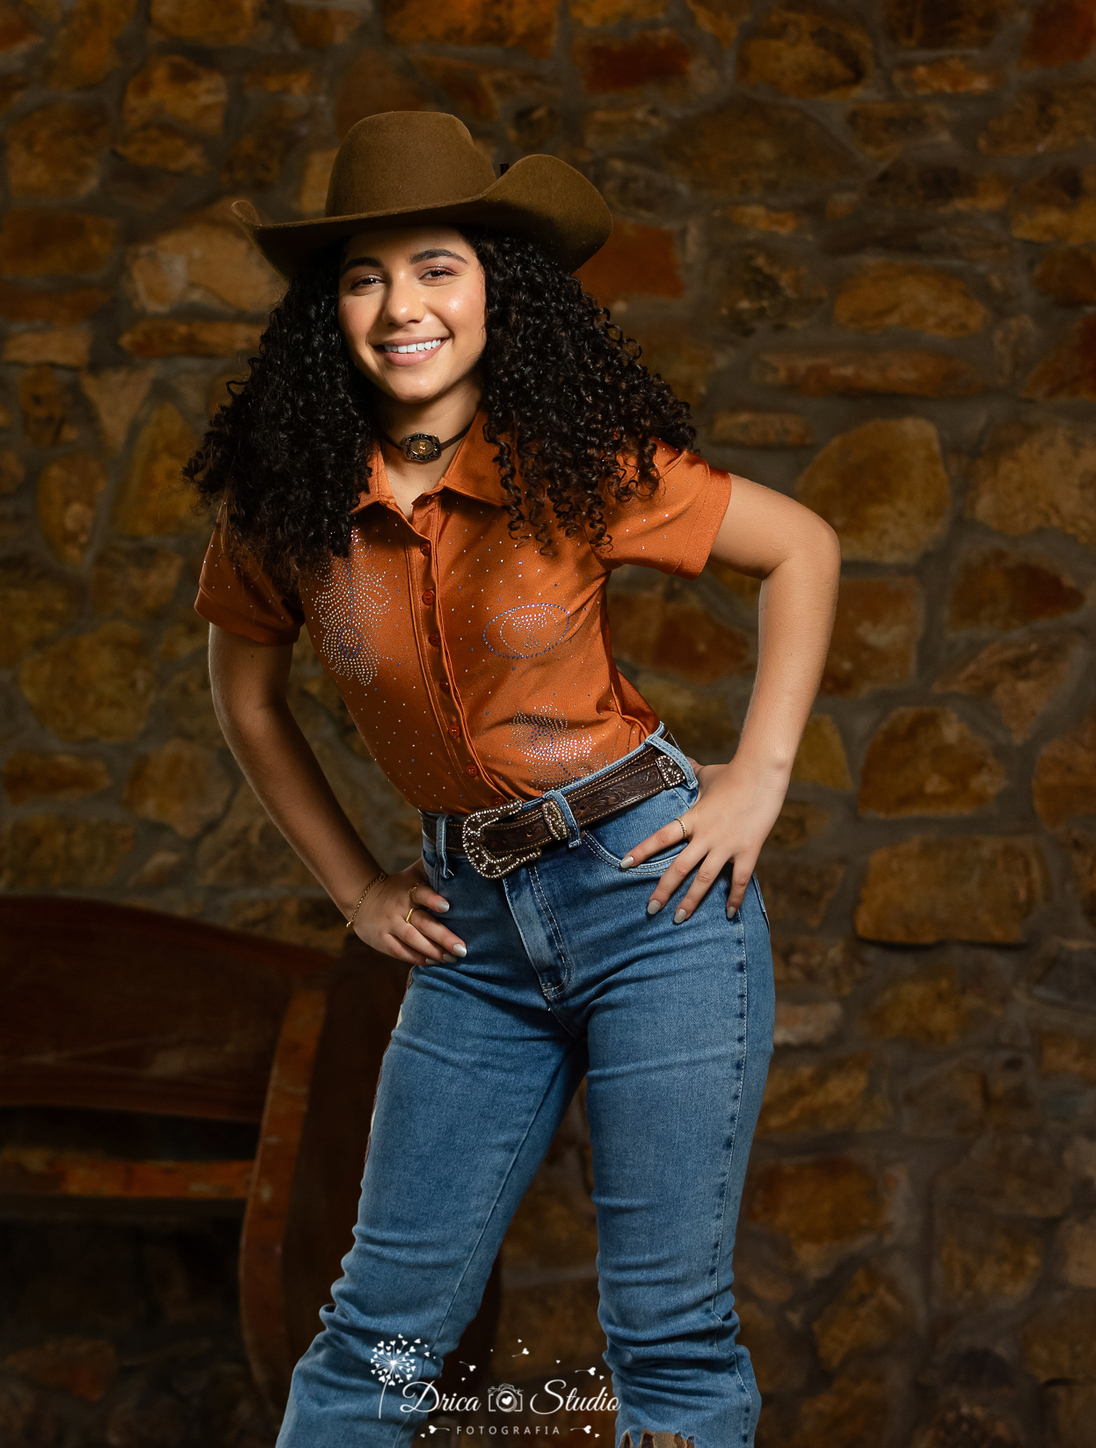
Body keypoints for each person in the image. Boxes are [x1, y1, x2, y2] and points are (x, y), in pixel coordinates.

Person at [186, 110, 840, 1448]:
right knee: (379, 1334)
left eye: (436, 266)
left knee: (669, 1336)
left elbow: (804, 548)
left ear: (497, 290)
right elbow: (248, 702)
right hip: (470, 929)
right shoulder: (285, 502)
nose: (401, 306)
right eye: (364, 277)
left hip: (652, 898)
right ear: (331, 313)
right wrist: (355, 886)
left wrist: (757, 779)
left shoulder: (575, 465)